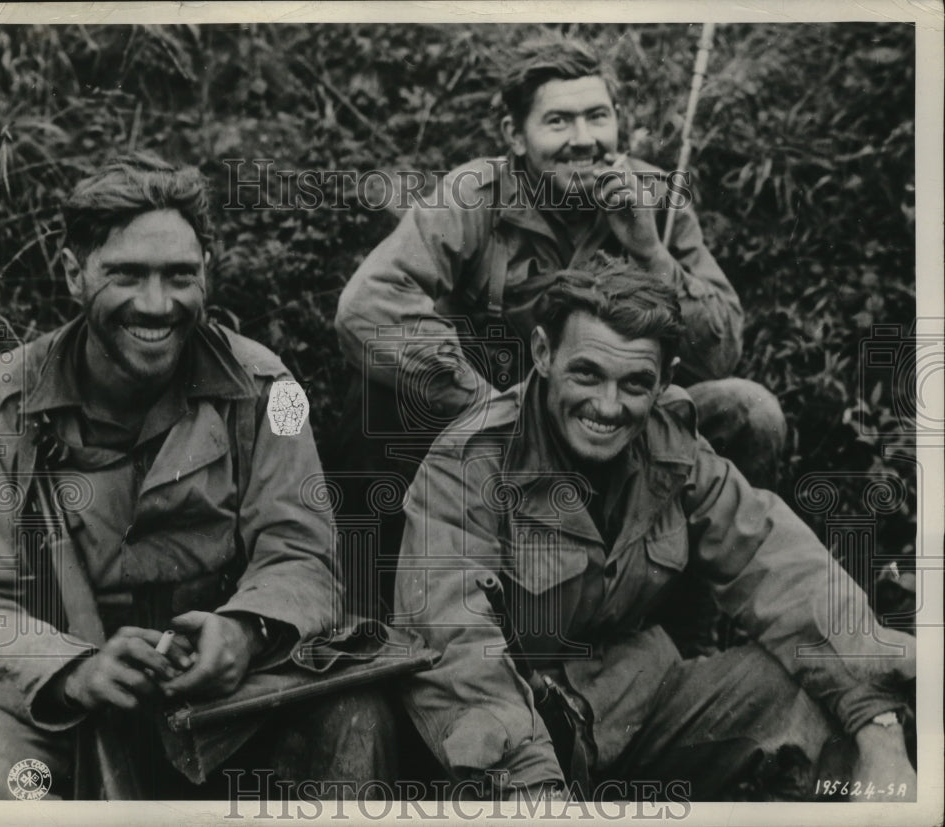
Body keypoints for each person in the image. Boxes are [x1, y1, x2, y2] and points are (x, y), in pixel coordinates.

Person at [393, 262, 916, 802]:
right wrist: (536, 793)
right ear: (544, 354)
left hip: (633, 709)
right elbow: (457, 650)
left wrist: (878, 729)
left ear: (665, 379)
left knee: (810, 701)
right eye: (587, 374)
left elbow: (780, 564)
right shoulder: (469, 463)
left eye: (636, 383)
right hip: (516, 730)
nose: (608, 406)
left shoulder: (672, 442)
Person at [0, 154, 395, 800]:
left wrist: (246, 629)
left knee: (355, 722)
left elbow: (302, 552)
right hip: (56, 714)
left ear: (208, 275)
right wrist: (74, 670)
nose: (157, 304)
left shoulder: (269, 390)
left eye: (179, 275)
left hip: (225, 709)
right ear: (73, 275)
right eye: (127, 275)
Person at [332, 35, 783, 621]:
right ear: (514, 136)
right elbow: (366, 309)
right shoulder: (476, 195)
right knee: (376, 394)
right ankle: (372, 616)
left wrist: (648, 249)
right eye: (558, 121)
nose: (583, 140)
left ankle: (691, 621)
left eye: (598, 117)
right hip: (496, 430)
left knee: (750, 410)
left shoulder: (653, 200)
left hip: (613, 425)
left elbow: (719, 353)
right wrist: (489, 409)